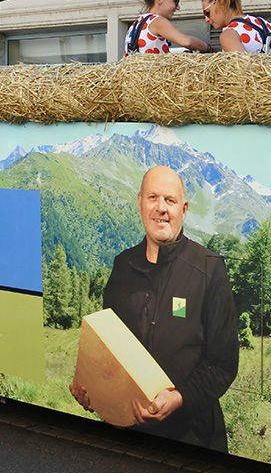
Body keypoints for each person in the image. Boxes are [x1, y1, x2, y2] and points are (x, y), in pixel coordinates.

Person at [70, 165, 239, 451]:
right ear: (140, 203)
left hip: (192, 438)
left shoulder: (210, 269)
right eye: (153, 198)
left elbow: (223, 364)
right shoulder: (123, 266)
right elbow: (108, 350)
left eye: (170, 201)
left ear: (183, 209)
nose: (161, 208)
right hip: (126, 435)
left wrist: (179, 397)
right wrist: (95, 393)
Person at [125, 0, 212, 55]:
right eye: (175, 1)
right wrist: (207, 48)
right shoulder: (157, 21)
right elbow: (186, 42)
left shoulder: (135, 25)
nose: (178, 7)